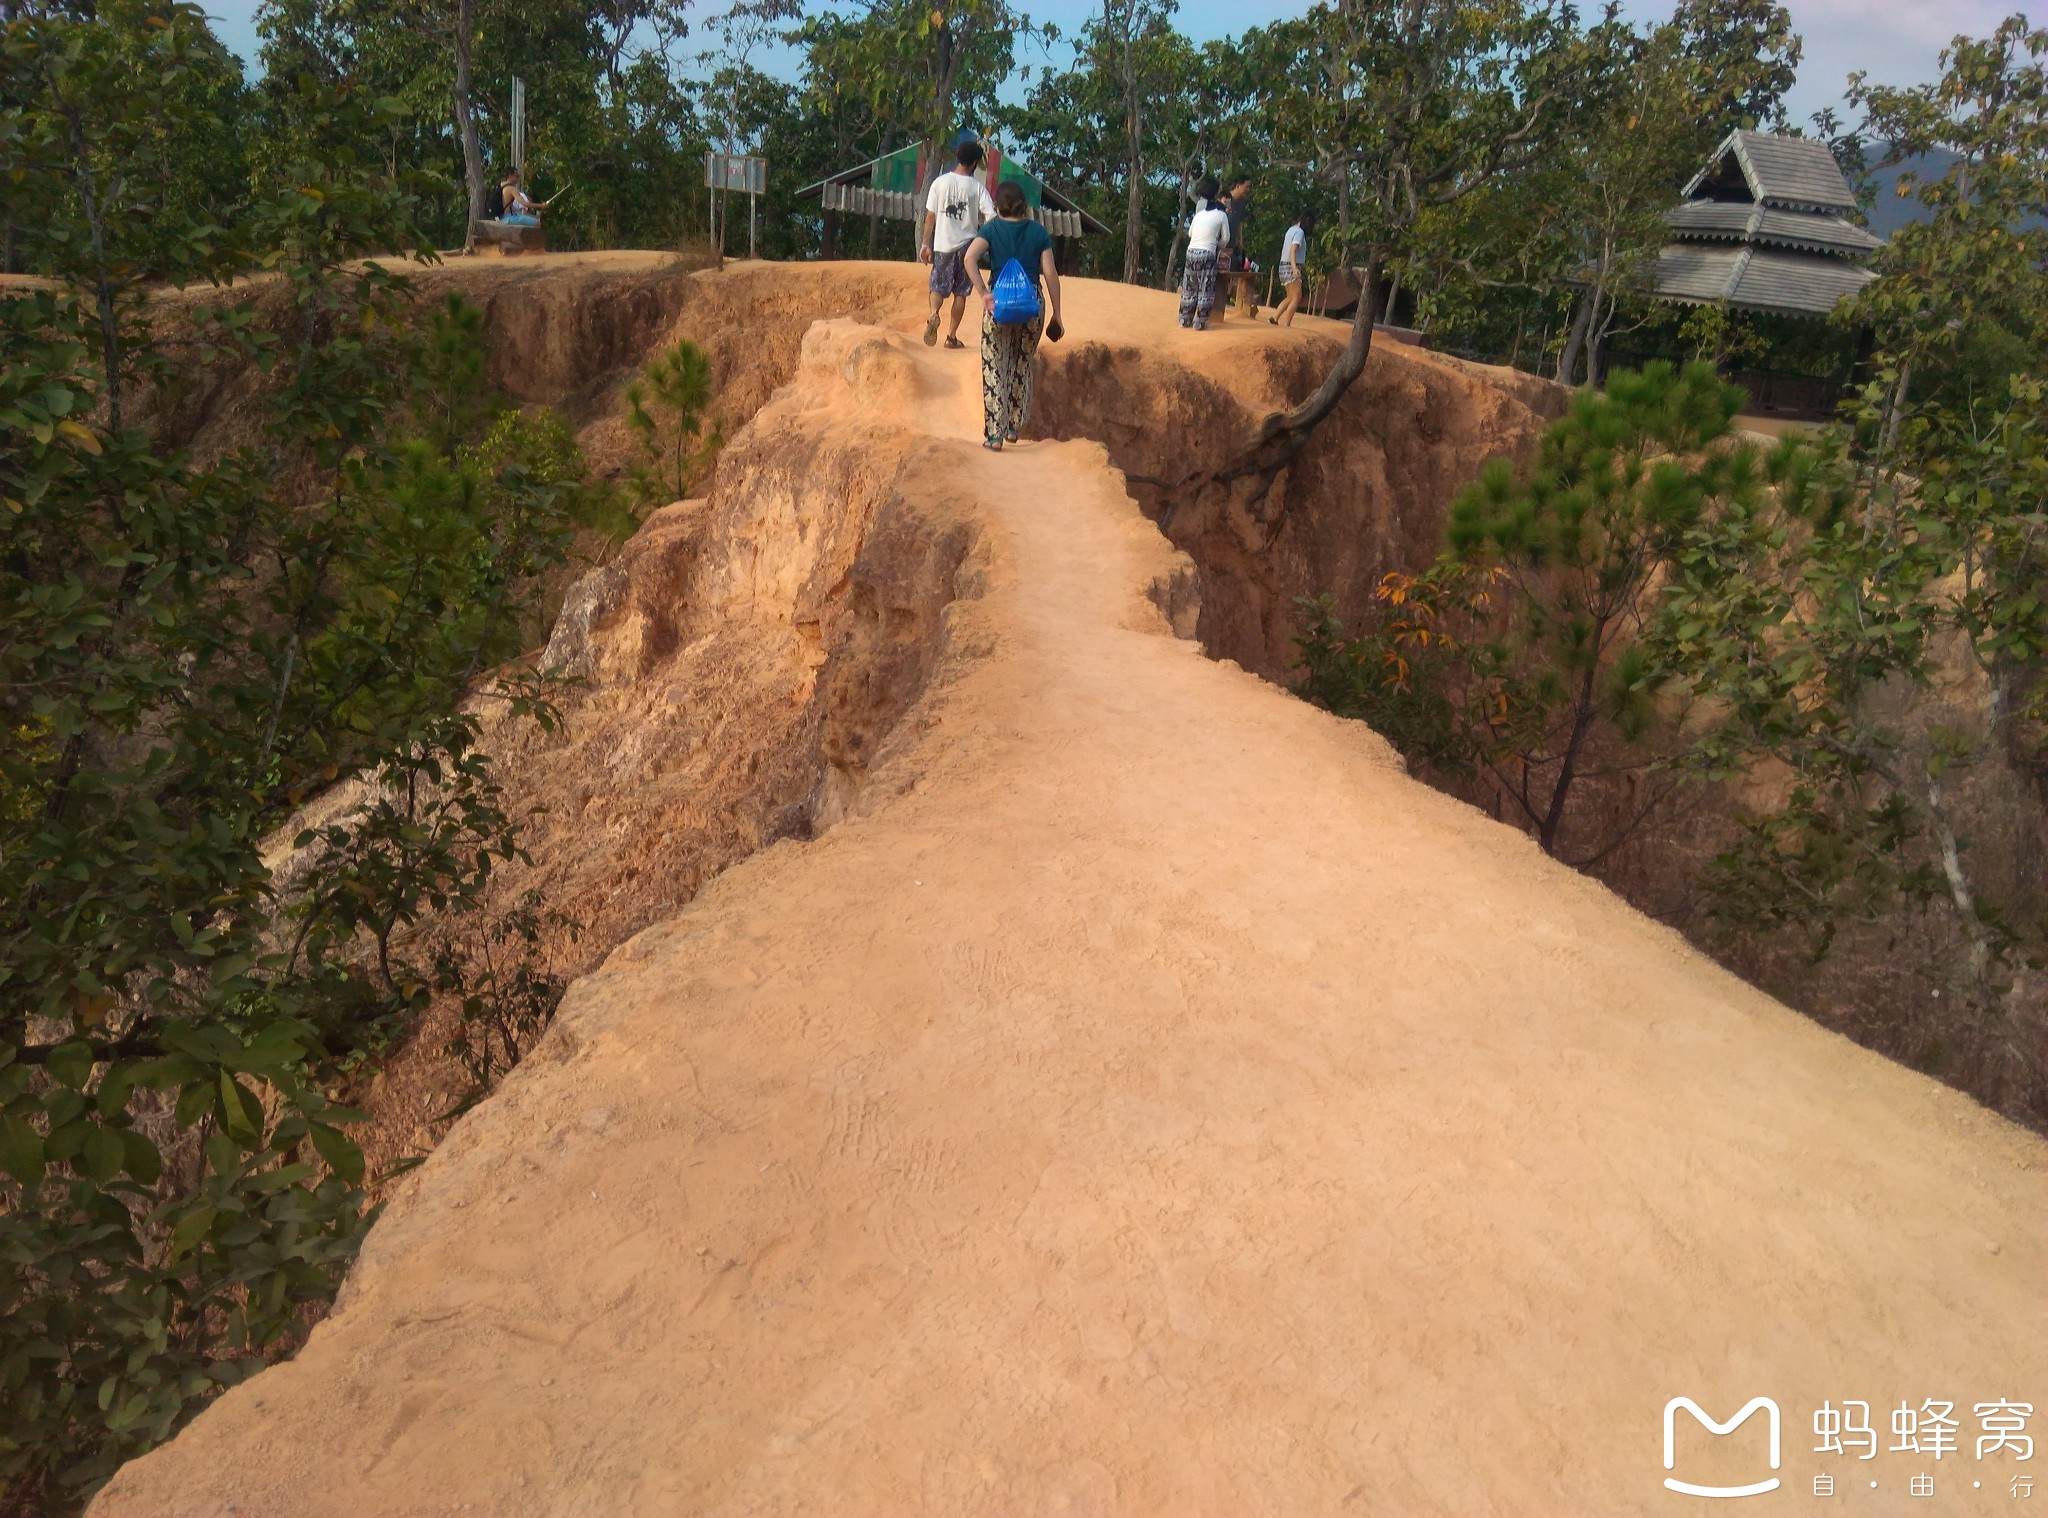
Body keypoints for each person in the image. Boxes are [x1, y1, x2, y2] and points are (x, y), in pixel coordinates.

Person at [965, 180, 1063, 451]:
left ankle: (994, 435)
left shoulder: (992, 228)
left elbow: (969, 258)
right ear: (1024, 206)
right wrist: (1057, 312)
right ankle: (1013, 427)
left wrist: (984, 292)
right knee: (1022, 361)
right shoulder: (1038, 231)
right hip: (1031, 303)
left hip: (999, 303)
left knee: (994, 364)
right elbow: (1050, 274)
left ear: (997, 206)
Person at [919, 140, 997, 349]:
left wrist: (925, 244)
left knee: (937, 286)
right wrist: (984, 240)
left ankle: (934, 313)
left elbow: (930, 217)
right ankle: (951, 336)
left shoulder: (939, 182)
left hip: (942, 244)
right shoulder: (977, 188)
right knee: (960, 292)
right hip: (967, 247)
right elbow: (991, 216)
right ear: (974, 163)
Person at [1180, 178, 1230, 330]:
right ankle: (1200, 322)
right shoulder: (1222, 215)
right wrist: (1216, 245)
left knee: (1189, 287)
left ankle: (1184, 320)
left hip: (1191, 251)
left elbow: (1190, 233)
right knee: (1205, 288)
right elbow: (1225, 239)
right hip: (1207, 253)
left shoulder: (1199, 214)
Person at [1271, 211, 1312, 327]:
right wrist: (1294, 268)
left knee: (1290, 296)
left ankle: (1274, 318)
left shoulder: (1291, 229)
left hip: (1283, 265)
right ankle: (1287, 323)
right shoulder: (1299, 233)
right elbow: (1293, 249)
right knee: (1297, 296)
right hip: (1291, 265)